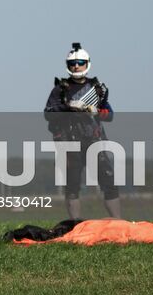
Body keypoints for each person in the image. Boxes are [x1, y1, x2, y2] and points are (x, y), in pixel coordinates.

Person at [43, 42, 122, 219]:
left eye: (80, 62)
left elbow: (109, 115)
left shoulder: (97, 89)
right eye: (73, 63)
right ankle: (75, 226)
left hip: (94, 140)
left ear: (87, 63)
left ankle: (118, 223)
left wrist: (97, 112)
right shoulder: (60, 89)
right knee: (72, 186)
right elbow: (48, 113)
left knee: (109, 181)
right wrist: (69, 107)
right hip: (69, 143)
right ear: (68, 65)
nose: (76, 66)